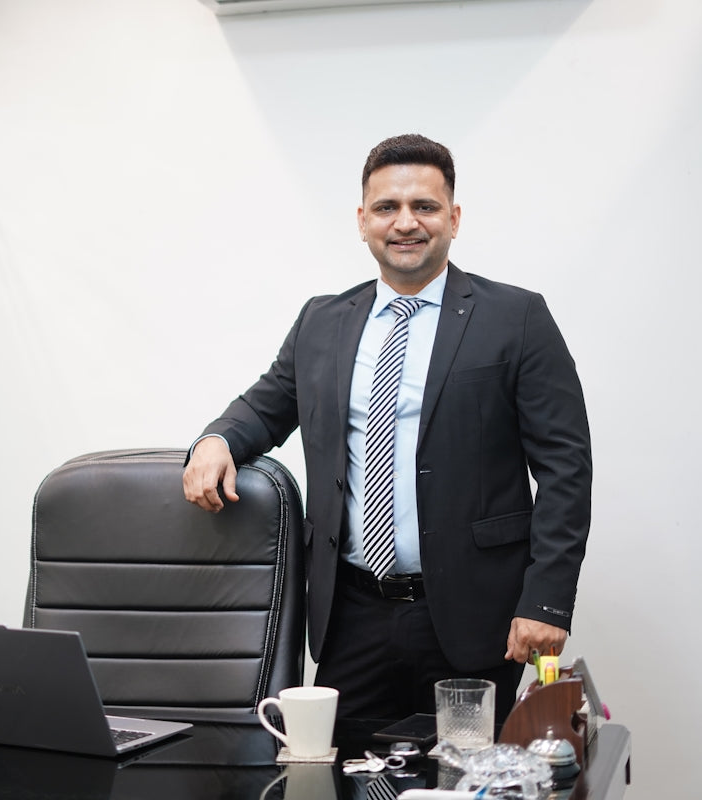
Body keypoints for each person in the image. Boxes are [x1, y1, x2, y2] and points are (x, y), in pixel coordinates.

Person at [183, 134, 591, 725]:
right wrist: (215, 441)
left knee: (467, 782)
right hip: (351, 614)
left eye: (424, 207)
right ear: (362, 220)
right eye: (387, 208)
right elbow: (265, 407)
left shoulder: (517, 318)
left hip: (474, 617)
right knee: (337, 776)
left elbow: (565, 469)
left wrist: (546, 601)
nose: (406, 223)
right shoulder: (322, 321)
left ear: (453, 218)